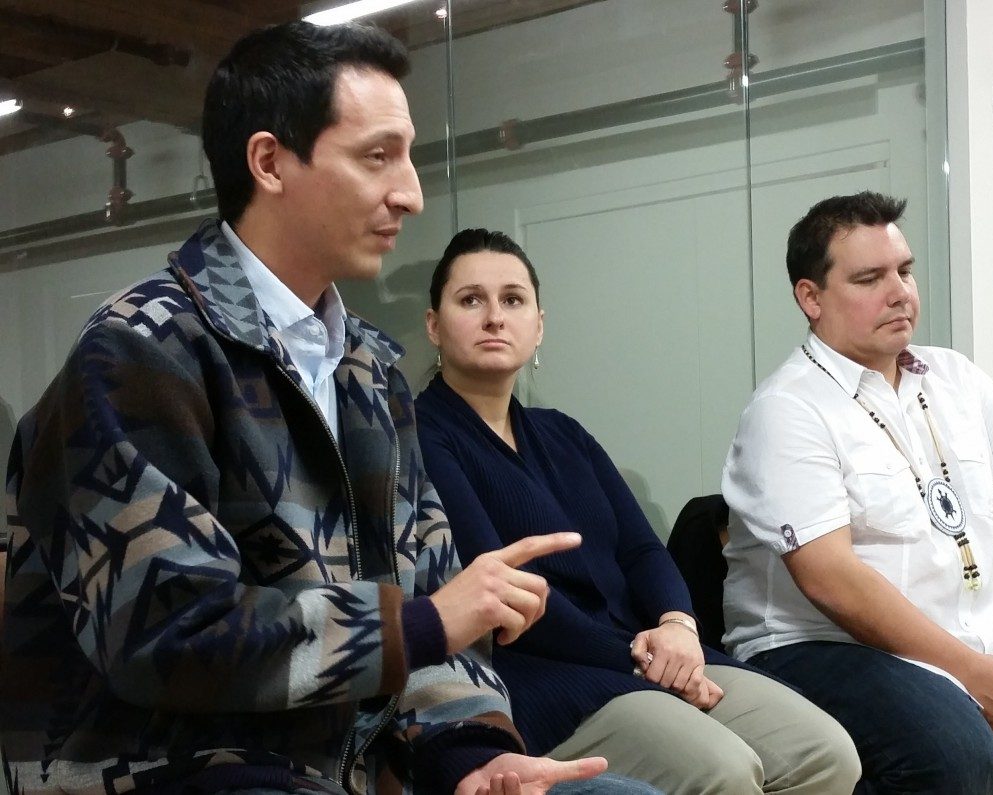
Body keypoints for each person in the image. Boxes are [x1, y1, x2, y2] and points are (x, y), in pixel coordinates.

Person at [0, 20, 659, 795]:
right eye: (377, 156)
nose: (411, 192)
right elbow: (168, 633)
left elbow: (436, 590)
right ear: (270, 161)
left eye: (407, 156)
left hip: (337, 769)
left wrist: (471, 755)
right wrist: (420, 625)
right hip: (164, 768)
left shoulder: (370, 367)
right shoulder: (139, 352)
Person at [720, 191, 993, 793]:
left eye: (904, 270)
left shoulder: (952, 377)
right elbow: (829, 577)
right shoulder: (788, 408)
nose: (900, 291)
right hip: (820, 647)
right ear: (811, 297)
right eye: (870, 278)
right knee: (952, 753)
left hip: (965, 639)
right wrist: (968, 671)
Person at [414, 228, 862, 795]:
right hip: (543, 671)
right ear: (434, 324)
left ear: (539, 324)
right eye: (470, 299)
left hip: (650, 652)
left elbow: (641, 548)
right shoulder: (423, 437)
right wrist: (642, 657)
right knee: (722, 771)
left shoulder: (564, 434)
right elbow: (508, 603)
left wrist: (678, 624)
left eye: (512, 299)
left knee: (826, 755)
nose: (495, 317)